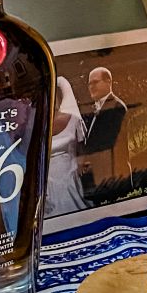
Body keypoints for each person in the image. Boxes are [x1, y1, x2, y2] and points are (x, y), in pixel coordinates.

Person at [45, 75, 87, 216]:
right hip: (47, 184)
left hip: (70, 179)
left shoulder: (74, 119)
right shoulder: (34, 125)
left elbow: (81, 149)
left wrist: (81, 165)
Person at [86, 66, 132, 185]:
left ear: (108, 82)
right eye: (89, 84)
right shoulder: (94, 109)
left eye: (95, 82)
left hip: (116, 175)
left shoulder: (117, 107)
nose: (91, 87)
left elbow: (107, 142)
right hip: (101, 177)